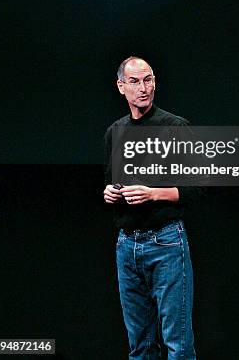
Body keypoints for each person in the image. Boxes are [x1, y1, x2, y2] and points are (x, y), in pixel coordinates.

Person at [103, 56, 198, 360]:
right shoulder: (115, 132)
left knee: (177, 345)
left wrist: (154, 193)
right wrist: (110, 193)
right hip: (127, 245)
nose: (143, 88)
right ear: (121, 87)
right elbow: (112, 182)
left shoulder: (174, 127)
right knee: (139, 346)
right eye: (134, 81)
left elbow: (198, 188)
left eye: (148, 80)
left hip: (166, 241)